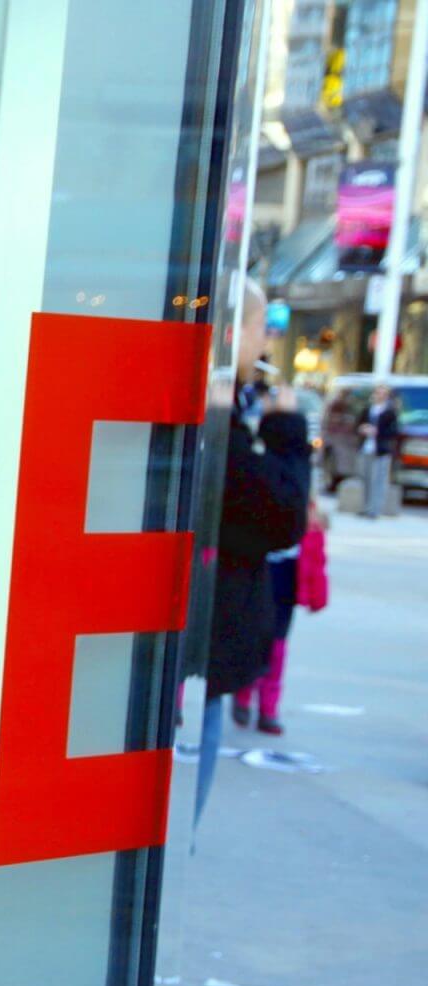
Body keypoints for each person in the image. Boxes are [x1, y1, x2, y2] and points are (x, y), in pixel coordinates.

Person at [195, 280, 310, 822]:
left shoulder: (222, 407)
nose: (265, 346)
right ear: (232, 330)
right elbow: (280, 515)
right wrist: (286, 429)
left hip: (212, 629)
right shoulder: (217, 418)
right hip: (212, 629)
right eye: (262, 329)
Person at [233, 499, 328, 735]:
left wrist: (317, 595)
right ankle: (243, 695)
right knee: (253, 642)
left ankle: (268, 710)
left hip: (286, 593)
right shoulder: (264, 508)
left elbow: (316, 561)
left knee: (277, 650)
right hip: (258, 586)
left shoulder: (308, 518)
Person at [356, 383, 402, 518]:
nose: (379, 395)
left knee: (379, 480)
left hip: (381, 449)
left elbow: (393, 431)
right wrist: (362, 429)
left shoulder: (390, 412)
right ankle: (365, 506)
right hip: (366, 448)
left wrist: (377, 431)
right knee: (366, 478)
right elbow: (358, 424)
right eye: (377, 392)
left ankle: (374, 509)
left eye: (383, 393)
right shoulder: (368, 409)